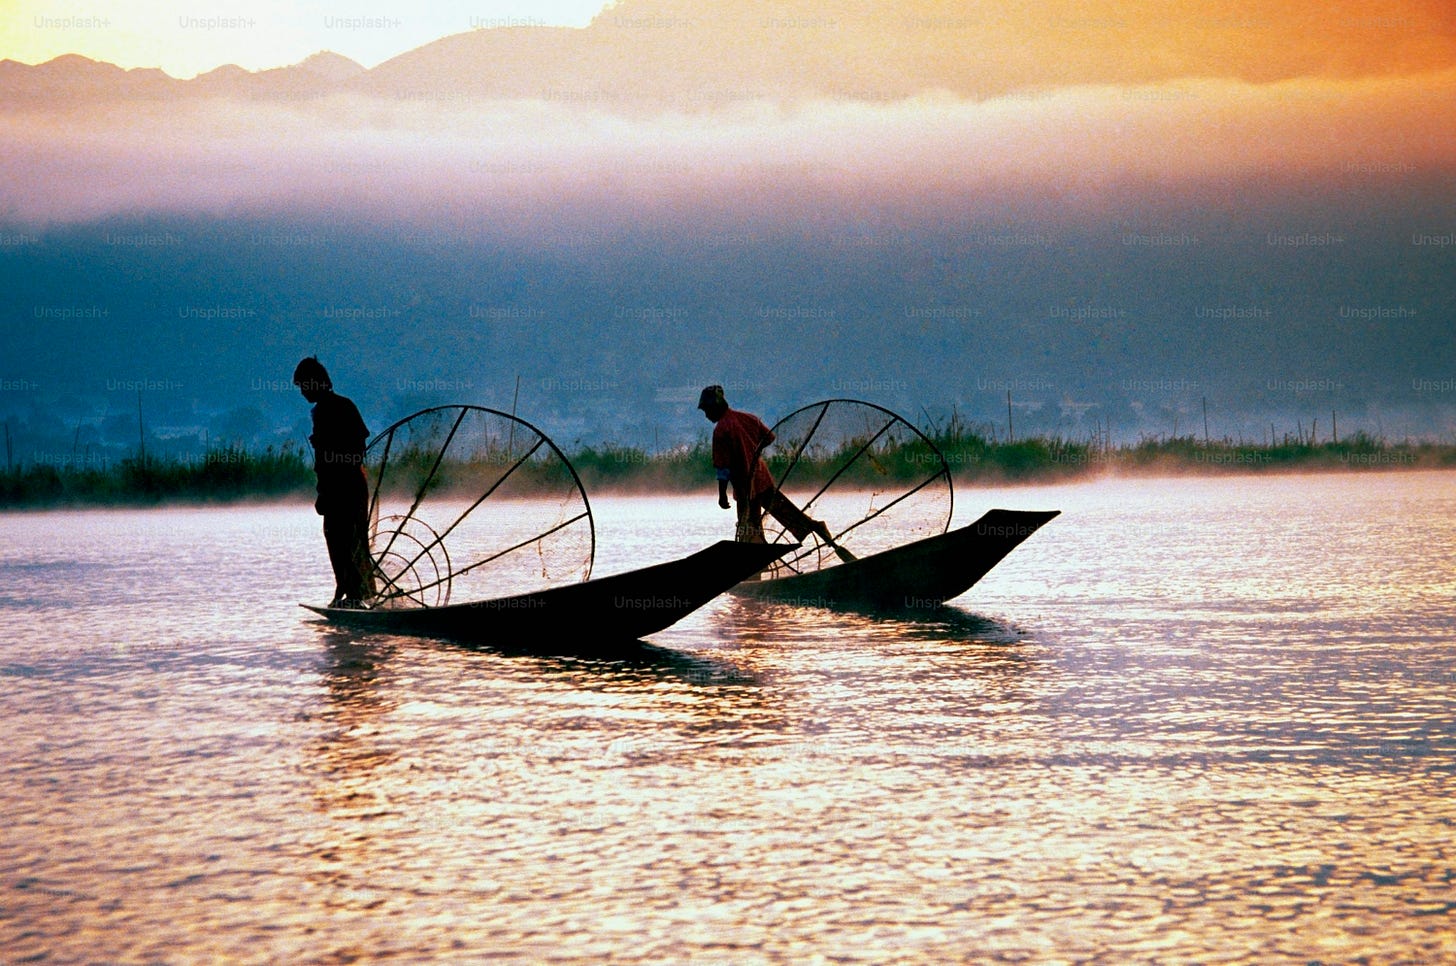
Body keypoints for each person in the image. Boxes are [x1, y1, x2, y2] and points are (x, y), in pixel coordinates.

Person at [697, 385, 854, 561]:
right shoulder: (748, 418)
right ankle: (817, 530)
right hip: (762, 479)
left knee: (748, 529)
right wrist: (752, 452)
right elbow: (769, 438)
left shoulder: (721, 430)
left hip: (744, 488)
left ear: (715, 406)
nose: (706, 415)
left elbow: (723, 469)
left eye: (707, 410)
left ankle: (754, 569)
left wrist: (722, 495)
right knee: (788, 515)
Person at [294, 357, 374, 607]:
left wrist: (328, 490)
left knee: (344, 539)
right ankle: (352, 592)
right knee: (347, 539)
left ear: (316, 383)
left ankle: (353, 595)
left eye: (305, 387)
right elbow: (356, 446)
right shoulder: (339, 406)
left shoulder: (331, 409)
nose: (303, 392)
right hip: (348, 485)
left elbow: (352, 449)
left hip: (344, 487)